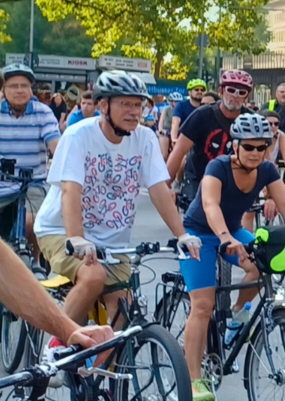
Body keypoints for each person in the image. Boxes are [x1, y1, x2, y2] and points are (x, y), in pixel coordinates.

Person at [33, 72, 201, 348]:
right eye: (126, 104)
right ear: (103, 106)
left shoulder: (145, 138)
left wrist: (182, 234)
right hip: (60, 230)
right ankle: (55, 347)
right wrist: (76, 237)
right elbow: (70, 190)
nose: (135, 112)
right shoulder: (79, 135)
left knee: (124, 310)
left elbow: (159, 189)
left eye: (139, 105)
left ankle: (107, 382)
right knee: (93, 276)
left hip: (112, 243)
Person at [179, 114, 285, 401]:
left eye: (261, 147)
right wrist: (224, 237)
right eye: (248, 147)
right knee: (202, 305)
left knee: (265, 265)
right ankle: (193, 379)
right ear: (235, 145)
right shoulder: (217, 166)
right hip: (199, 233)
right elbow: (210, 205)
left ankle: (238, 315)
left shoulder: (266, 170)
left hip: (234, 231)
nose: (255, 153)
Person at [166, 69, 254, 208]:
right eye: (231, 90)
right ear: (221, 91)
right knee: (199, 217)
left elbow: (264, 160)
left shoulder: (252, 120)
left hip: (234, 178)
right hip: (199, 176)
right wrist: (166, 186)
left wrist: (270, 196)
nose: (235, 96)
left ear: (247, 96)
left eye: (241, 92)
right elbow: (179, 150)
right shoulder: (202, 115)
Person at [0, 63, 60, 257]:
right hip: (2, 183)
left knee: (31, 223)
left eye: (24, 85)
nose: (19, 90)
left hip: (33, 184)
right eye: (13, 86)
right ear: (4, 89)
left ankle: (34, 264)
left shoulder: (43, 112)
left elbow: (56, 148)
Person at [170, 78, 206, 143]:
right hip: (184, 139)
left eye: (202, 90)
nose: (200, 92)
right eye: (196, 90)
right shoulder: (181, 105)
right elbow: (175, 122)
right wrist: (174, 138)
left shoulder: (207, 107)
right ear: (189, 92)